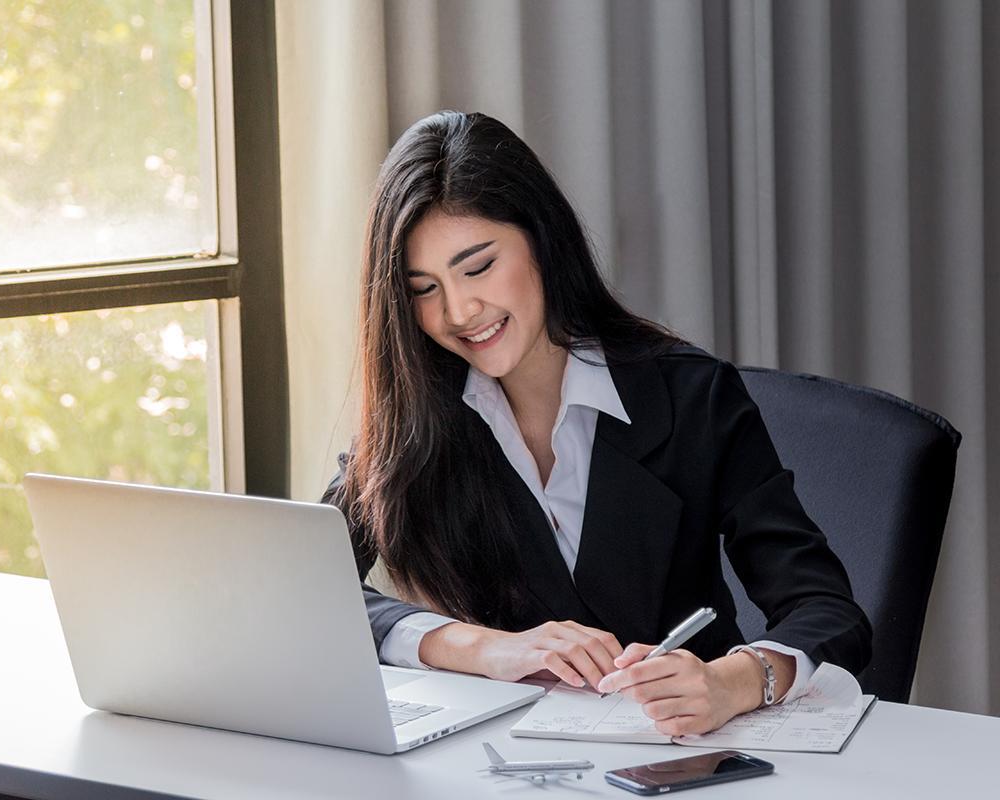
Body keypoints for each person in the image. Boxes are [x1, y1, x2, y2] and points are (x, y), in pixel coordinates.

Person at [323, 110, 871, 736]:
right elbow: (309, 583)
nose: (459, 310)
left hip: (677, 750)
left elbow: (826, 609)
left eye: (477, 267)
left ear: (541, 241)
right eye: (423, 288)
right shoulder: (419, 409)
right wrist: (477, 647)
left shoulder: (691, 395)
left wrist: (736, 680)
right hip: (500, 761)